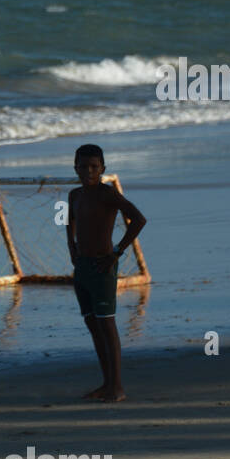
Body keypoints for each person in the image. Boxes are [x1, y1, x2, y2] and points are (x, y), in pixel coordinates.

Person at [67, 144, 147, 402]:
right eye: (83, 166)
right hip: (82, 268)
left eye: (93, 166)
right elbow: (70, 220)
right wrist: (72, 247)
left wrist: (116, 252)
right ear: (75, 168)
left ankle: (117, 387)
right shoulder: (74, 195)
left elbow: (139, 219)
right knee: (92, 324)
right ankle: (106, 384)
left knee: (107, 325)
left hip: (103, 267)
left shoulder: (107, 194)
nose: (88, 171)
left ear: (103, 169)